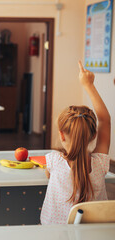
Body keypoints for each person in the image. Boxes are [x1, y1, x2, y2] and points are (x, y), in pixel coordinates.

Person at [40, 61, 111, 225]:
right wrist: (89, 85)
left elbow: (48, 174)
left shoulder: (54, 160)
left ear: (61, 135)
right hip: (93, 235)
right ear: (94, 135)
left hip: (54, 235)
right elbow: (105, 121)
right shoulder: (100, 164)